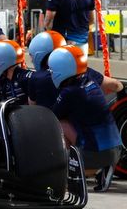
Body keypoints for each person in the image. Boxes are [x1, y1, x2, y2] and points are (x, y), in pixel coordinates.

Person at [48, 45, 122, 192]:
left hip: (96, 153)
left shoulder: (69, 92)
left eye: (52, 69)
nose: (51, 72)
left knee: (58, 125)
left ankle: (91, 169)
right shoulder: (89, 74)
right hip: (117, 148)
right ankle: (101, 167)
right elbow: (115, 85)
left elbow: (51, 117)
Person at [27, 31, 123, 108]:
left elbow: (33, 109)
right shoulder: (82, 71)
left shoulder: (34, 79)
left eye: (31, 56)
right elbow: (116, 85)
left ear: (39, 55)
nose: (31, 60)